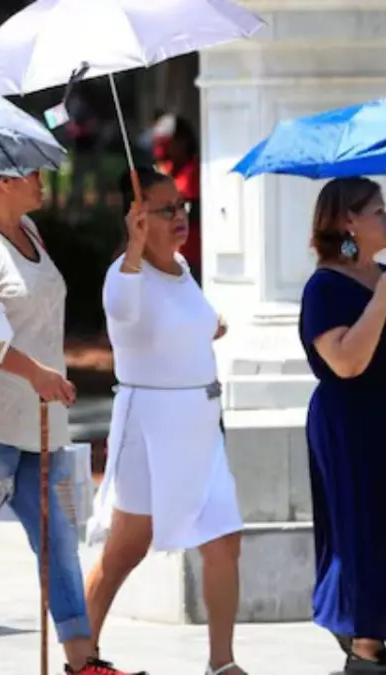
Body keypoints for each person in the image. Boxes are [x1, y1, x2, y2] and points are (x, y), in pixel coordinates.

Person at [0, 172, 142, 675]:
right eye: (32, 171)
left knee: (59, 545)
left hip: (42, 423)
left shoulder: (30, 230)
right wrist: (37, 375)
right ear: (4, 180)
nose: (43, 180)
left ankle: (80, 661)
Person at [84, 167, 244, 675]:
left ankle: (222, 662)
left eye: (182, 207)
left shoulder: (181, 268)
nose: (180, 217)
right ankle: (79, 655)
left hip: (199, 425)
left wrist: (209, 327)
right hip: (150, 428)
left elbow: (191, 321)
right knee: (125, 550)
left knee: (224, 537)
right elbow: (121, 313)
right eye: (166, 210)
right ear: (136, 218)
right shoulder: (123, 275)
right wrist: (132, 249)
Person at [299, 177, 386, 674]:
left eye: (385, 209)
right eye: (376, 211)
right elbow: (345, 362)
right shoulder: (326, 287)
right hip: (353, 430)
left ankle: (367, 633)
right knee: (365, 532)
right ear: (347, 222)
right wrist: (381, 298)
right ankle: (364, 646)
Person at [150, 114, 202, 282]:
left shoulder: (194, 172)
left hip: (192, 256)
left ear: (182, 142)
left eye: (168, 145)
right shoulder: (166, 170)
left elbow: (193, 211)